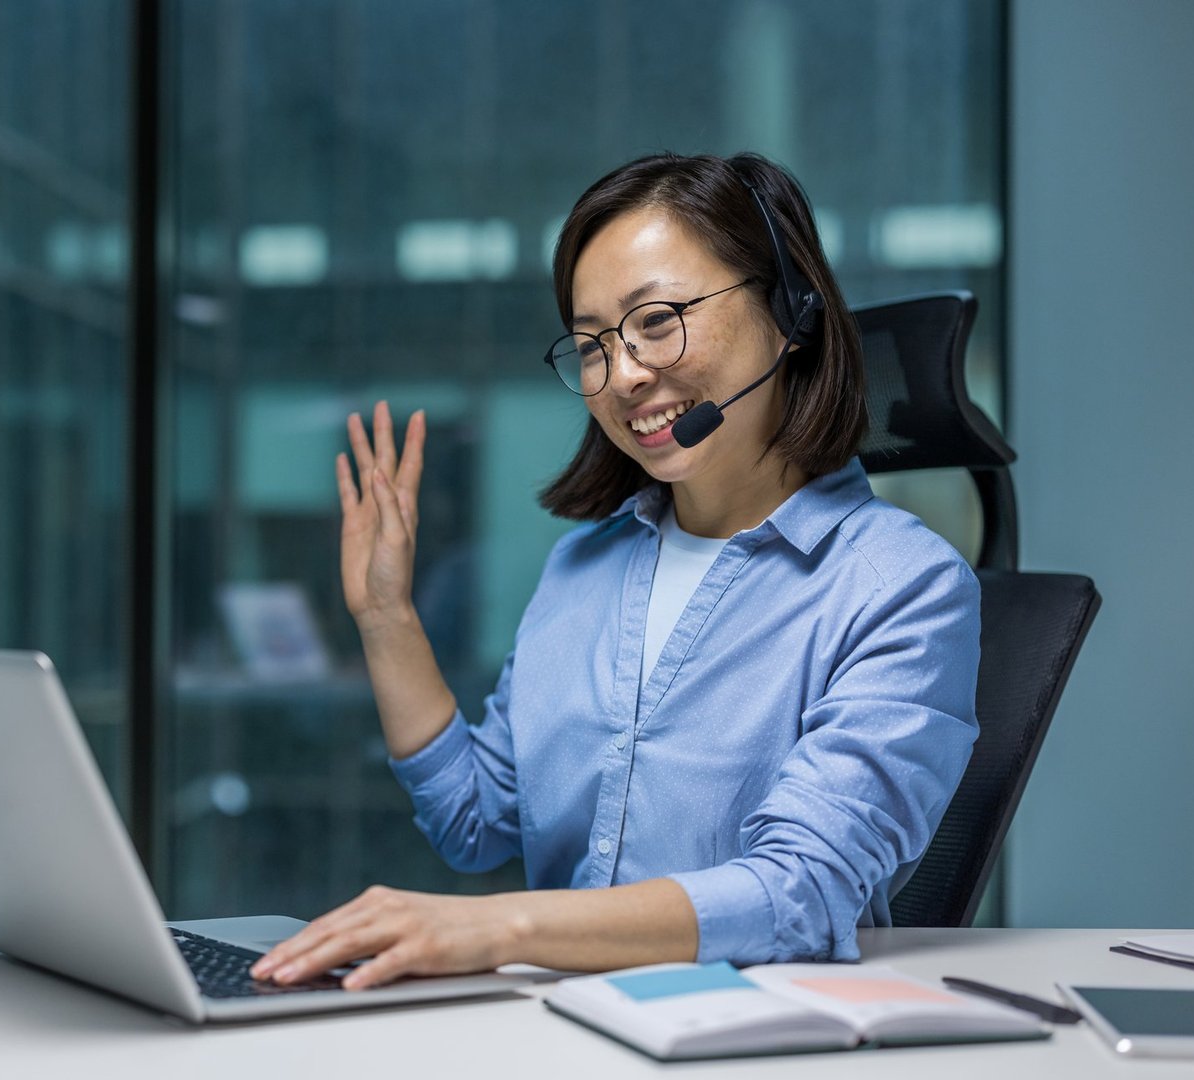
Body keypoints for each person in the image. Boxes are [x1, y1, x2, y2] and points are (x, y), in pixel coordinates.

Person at [250, 152, 980, 990]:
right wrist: (386, 618)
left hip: (752, 1040)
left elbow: (799, 893)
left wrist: (494, 929)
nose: (624, 374)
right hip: (560, 1029)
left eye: (658, 319)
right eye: (592, 343)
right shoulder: (583, 567)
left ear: (790, 310)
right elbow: (475, 821)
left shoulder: (901, 586)